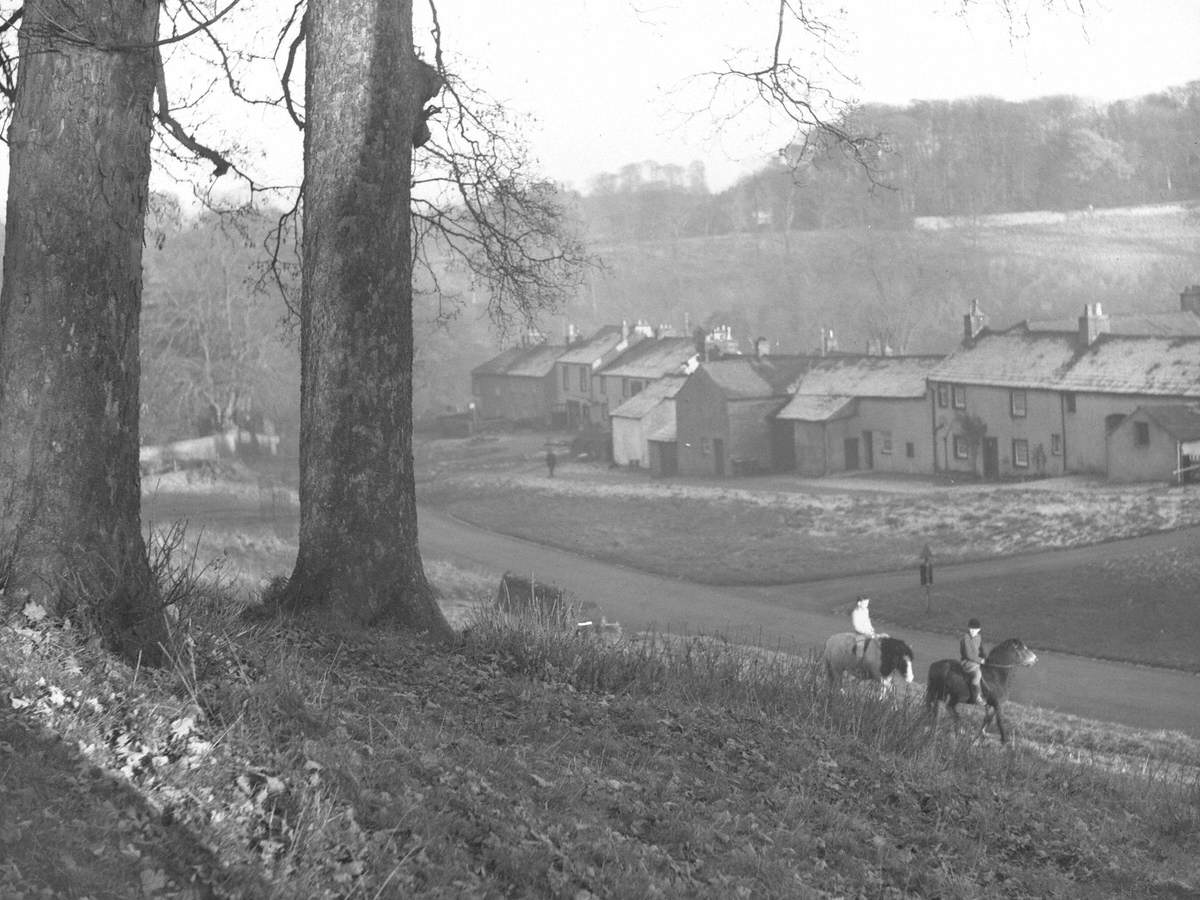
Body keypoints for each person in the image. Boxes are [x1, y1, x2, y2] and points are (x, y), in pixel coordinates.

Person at [960, 618, 986, 704]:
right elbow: (968, 654)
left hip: (976, 661)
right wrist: (980, 661)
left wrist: (985, 658)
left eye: (974, 629)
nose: (972, 631)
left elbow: (981, 650)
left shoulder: (979, 637)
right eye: (971, 629)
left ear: (979, 630)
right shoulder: (965, 638)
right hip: (967, 662)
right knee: (978, 673)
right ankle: (976, 697)